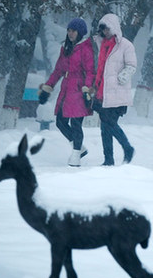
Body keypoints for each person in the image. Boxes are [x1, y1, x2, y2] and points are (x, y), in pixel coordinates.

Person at [39, 17, 95, 167]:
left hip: (79, 89)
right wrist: (47, 88)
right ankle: (80, 147)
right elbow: (58, 70)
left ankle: (76, 154)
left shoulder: (86, 49)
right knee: (60, 121)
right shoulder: (65, 49)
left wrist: (87, 90)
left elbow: (90, 72)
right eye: (69, 30)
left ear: (80, 32)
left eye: (73, 31)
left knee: (76, 123)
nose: (70, 33)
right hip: (66, 89)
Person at [85, 13, 136, 166]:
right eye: (102, 29)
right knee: (105, 127)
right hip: (103, 93)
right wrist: (95, 85)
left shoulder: (125, 45)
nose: (105, 32)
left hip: (117, 92)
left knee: (109, 124)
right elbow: (101, 69)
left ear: (113, 28)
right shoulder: (102, 45)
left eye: (107, 29)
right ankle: (108, 159)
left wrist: (121, 78)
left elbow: (131, 65)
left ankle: (127, 148)